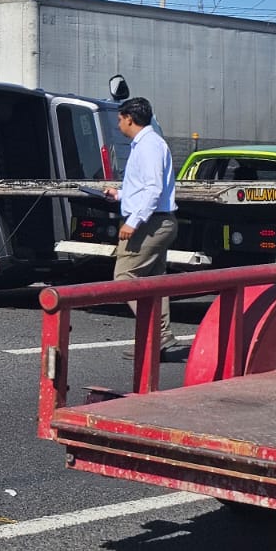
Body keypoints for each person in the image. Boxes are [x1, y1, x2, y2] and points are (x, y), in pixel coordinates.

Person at [106, 95, 179, 359]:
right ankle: (159, 337)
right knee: (152, 283)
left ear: (130, 119)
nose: (118, 125)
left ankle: (158, 334)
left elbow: (153, 189)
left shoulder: (148, 145)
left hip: (150, 223)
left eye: (120, 119)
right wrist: (120, 194)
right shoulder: (148, 143)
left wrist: (132, 222)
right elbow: (143, 187)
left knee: (124, 279)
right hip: (160, 220)